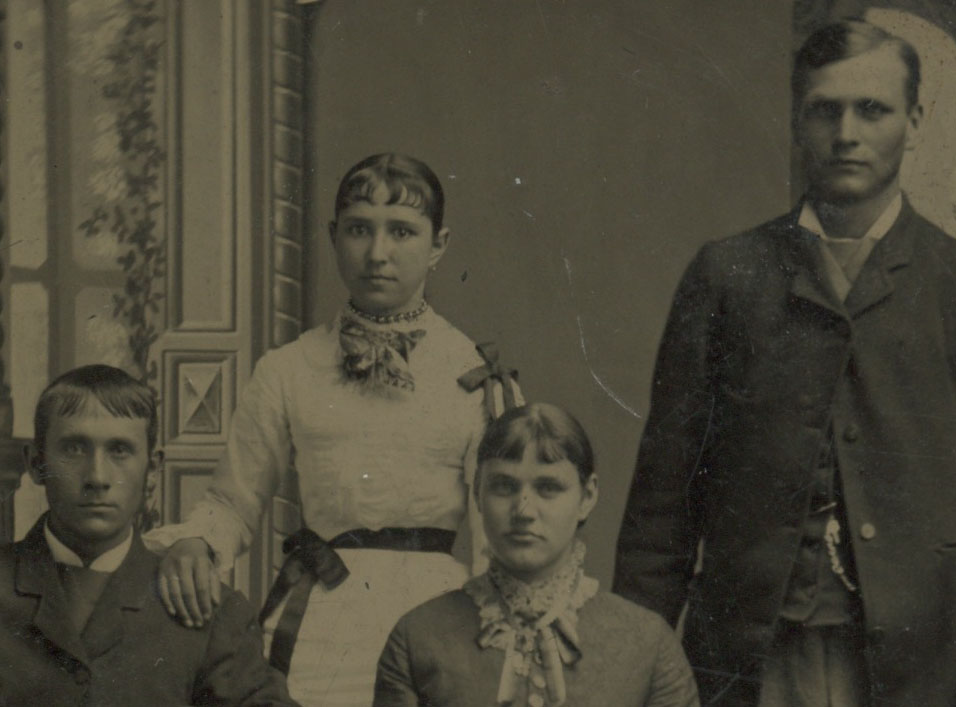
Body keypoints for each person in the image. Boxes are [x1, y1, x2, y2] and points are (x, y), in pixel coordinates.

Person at [613, 18, 956, 706]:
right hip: (748, 656)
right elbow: (664, 497)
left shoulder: (948, 279)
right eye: (825, 110)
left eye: (873, 109)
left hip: (917, 662)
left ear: (915, 122)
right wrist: (626, 663)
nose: (847, 133)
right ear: (798, 120)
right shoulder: (727, 273)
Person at [145, 153, 521, 706]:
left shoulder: (473, 377)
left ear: (438, 245)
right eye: (359, 230)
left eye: (402, 232)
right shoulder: (288, 368)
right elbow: (232, 504)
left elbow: (500, 539)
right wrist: (196, 542)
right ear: (333, 235)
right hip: (321, 619)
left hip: (437, 622)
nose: (377, 253)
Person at [0, 364, 297, 707]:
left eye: (119, 451)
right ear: (36, 464)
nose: (97, 477)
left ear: (152, 470)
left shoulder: (215, 616)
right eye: (74, 449)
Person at [374, 403, 699, 707]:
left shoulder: (647, 643)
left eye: (548, 488)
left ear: (587, 496)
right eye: (504, 486)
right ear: (478, 494)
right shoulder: (418, 638)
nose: (524, 511)